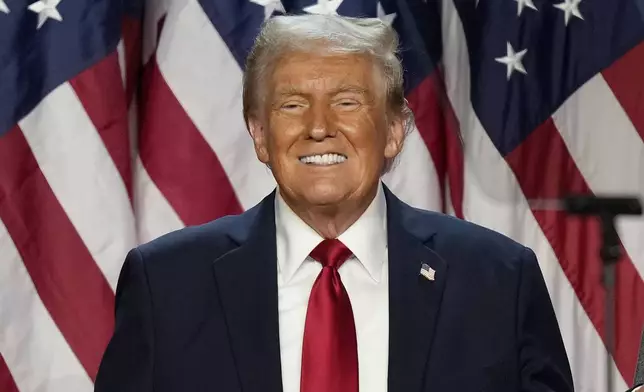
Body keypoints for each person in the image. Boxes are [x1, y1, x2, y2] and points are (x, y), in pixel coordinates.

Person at [94, 14, 574, 392]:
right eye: (292, 104)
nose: (319, 126)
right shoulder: (167, 284)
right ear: (259, 135)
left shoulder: (498, 280)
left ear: (393, 131)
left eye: (347, 102)